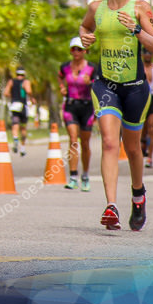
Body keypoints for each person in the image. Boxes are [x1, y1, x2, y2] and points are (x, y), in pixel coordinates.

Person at [79, 0, 153, 231]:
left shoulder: (140, 8)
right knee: (110, 143)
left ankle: (138, 195)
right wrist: (85, 37)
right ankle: (111, 206)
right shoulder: (96, 8)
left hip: (135, 86)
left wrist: (136, 30)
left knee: (133, 147)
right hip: (106, 85)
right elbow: (85, 27)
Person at [59, 37, 95, 191]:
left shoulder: (92, 68)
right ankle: (73, 176)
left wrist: (90, 83)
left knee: (85, 143)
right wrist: (62, 88)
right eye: (73, 49)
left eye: (79, 49)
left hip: (87, 107)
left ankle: (85, 175)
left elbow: (100, 86)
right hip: (71, 106)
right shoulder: (65, 67)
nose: (76, 52)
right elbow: (60, 77)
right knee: (73, 140)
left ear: (85, 51)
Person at [139, 49, 153, 169]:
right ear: (142, 54)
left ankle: (150, 157)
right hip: (140, 100)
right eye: (145, 53)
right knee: (142, 128)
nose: (148, 55)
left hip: (152, 99)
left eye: (149, 52)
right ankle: (143, 145)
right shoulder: (137, 67)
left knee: (151, 128)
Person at [3, 67, 33, 156]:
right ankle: (23, 148)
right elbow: (28, 91)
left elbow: (5, 93)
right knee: (23, 128)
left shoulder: (11, 82)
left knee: (15, 125)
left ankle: (15, 139)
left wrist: (13, 95)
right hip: (23, 107)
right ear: (24, 74)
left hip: (14, 106)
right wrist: (31, 97)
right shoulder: (26, 82)